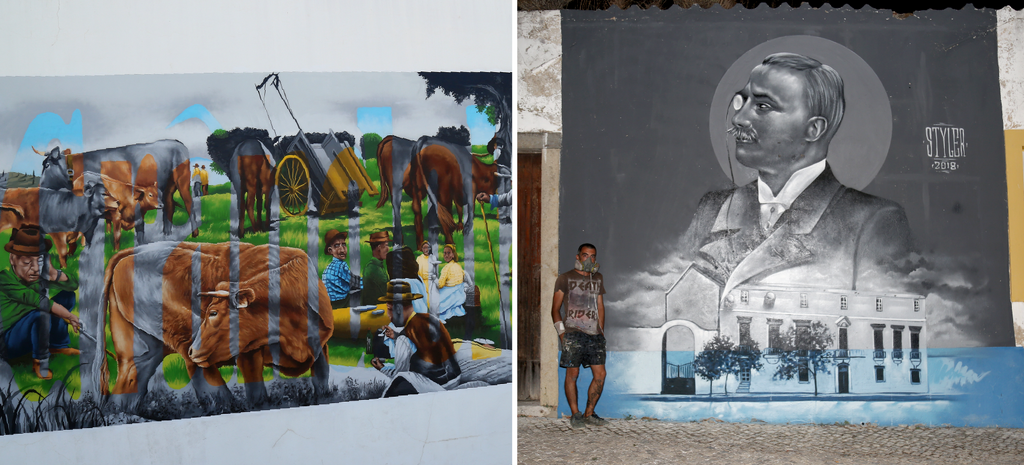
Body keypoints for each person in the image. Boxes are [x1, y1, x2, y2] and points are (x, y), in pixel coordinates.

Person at [678, 52, 915, 303]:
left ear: (814, 129)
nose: (739, 118)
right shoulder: (713, 209)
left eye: (762, 106)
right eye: (742, 101)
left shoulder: (873, 221)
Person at [0, 226, 81, 380]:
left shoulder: (38, 278)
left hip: (31, 323)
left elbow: (73, 286)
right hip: (8, 340)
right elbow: (40, 302)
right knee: (41, 315)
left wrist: (54, 274)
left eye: (39, 261)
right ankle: (40, 362)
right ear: (12, 259)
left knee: (67, 297)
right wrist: (69, 316)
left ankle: (58, 346)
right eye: (27, 263)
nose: (35, 269)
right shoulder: (4, 280)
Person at [371, 280, 461, 397]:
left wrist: (382, 369)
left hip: (438, 385)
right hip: (455, 377)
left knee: (398, 384)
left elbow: (400, 374)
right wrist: (396, 336)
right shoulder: (429, 318)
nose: (388, 315)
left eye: (389, 308)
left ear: (398, 308)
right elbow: (424, 343)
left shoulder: (404, 339)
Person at [551, 243, 607, 428]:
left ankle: (589, 413)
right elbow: (555, 310)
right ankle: (575, 414)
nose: (589, 260)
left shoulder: (597, 278)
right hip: (572, 334)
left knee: (600, 374)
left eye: (593, 256)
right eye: (585, 255)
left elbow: (600, 306)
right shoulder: (565, 278)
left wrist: (601, 332)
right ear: (578, 257)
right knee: (572, 374)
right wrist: (562, 335)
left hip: (594, 335)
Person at [322, 229, 359, 308]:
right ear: (330, 250)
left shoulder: (328, 268)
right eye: (337, 246)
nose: (342, 250)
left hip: (330, 304)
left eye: (344, 245)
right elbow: (356, 283)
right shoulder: (340, 266)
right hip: (340, 303)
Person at [434, 243, 466, 323]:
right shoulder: (458, 266)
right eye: (444, 253)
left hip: (450, 293)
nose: (446, 255)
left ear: (453, 255)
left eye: (448, 253)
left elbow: (440, 285)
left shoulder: (446, 268)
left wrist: (434, 279)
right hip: (459, 293)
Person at [361, 230, 392, 306]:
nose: (388, 249)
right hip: (376, 310)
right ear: (379, 248)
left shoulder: (376, 265)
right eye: (386, 246)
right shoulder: (374, 268)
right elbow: (387, 292)